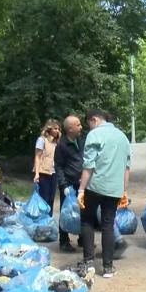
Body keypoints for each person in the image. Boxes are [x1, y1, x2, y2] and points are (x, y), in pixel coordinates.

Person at [76, 109, 131, 278]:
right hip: (114, 189)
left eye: (89, 124)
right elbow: (126, 167)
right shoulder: (122, 136)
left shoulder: (95, 135)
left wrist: (81, 189)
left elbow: (89, 166)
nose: (89, 128)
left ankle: (89, 263)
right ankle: (108, 267)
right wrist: (124, 191)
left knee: (87, 221)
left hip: (94, 186)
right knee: (108, 225)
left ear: (94, 119)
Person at [55, 115, 85, 253]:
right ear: (70, 129)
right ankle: (64, 240)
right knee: (66, 212)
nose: (81, 127)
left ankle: (82, 237)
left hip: (81, 183)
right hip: (68, 185)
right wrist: (63, 185)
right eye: (78, 125)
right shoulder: (62, 145)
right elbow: (59, 166)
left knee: (83, 211)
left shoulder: (80, 141)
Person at [33, 119, 61, 216]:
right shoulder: (42, 140)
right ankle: (41, 219)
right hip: (43, 172)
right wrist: (36, 173)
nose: (57, 131)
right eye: (55, 128)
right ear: (49, 129)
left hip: (53, 172)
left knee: (51, 199)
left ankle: (49, 219)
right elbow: (37, 157)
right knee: (43, 198)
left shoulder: (56, 142)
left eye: (58, 129)